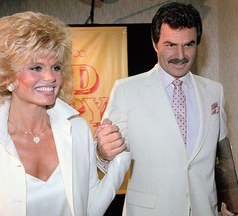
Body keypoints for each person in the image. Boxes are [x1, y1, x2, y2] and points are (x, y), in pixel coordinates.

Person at [0, 11, 131, 216]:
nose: (50, 77)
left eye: (55, 67)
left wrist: (117, 160)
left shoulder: (76, 130)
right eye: (36, 67)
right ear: (6, 77)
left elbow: (89, 208)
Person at [95, 2, 234, 216]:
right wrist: (103, 152)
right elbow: (107, 160)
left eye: (188, 45)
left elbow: (222, 155)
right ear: (155, 43)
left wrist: (232, 203)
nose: (180, 55)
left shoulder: (214, 91)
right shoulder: (126, 90)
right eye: (170, 45)